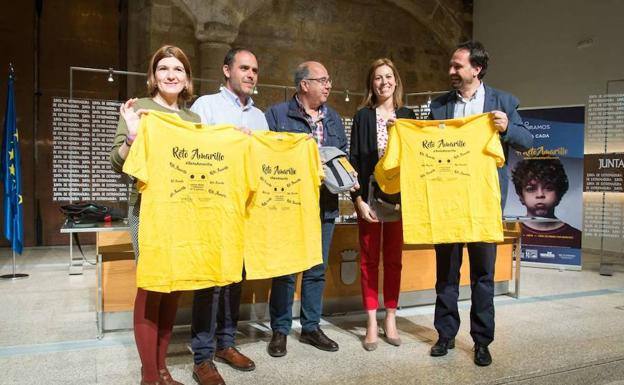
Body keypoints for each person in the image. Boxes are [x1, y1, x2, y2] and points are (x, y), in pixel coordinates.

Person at [428, 40, 533, 366]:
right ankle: (445, 335)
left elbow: (528, 142)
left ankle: (482, 341)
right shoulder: (440, 105)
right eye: (451, 66)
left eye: (457, 66)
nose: (451, 72)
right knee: (445, 274)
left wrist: (507, 129)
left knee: (483, 277)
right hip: (448, 203)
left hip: (485, 204)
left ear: (477, 68)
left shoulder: (502, 101)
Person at [110, 44, 200, 385]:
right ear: (153, 76)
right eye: (164, 68)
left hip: (185, 211)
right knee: (150, 286)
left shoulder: (194, 119)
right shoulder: (139, 109)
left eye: (178, 69)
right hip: (147, 210)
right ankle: (149, 375)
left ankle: (162, 368)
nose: (171, 74)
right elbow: (117, 164)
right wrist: (131, 136)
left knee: (173, 287)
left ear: (187, 78)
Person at [189, 47, 268, 385]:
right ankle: (202, 358)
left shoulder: (260, 117)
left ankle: (227, 344)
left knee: (236, 280)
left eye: (254, 70)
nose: (250, 75)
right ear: (227, 71)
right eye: (244, 68)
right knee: (210, 284)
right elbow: (192, 153)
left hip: (244, 213)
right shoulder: (205, 106)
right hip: (211, 211)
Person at [264, 61, 348, 357]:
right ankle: (280, 330)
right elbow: (267, 157)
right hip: (288, 206)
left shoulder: (334, 118)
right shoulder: (276, 115)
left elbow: (343, 156)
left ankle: (311, 327)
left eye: (328, 79)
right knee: (286, 269)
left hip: (325, 205)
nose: (328, 85)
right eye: (322, 80)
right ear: (304, 85)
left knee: (316, 268)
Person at [349, 58, 415, 351]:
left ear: (396, 81)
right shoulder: (363, 116)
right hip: (371, 199)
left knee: (394, 260)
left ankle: (391, 316)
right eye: (378, 78)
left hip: (400, 200)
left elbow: (416, 161)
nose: (384, 82)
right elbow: (354, 162)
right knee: (368, 261)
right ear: (371, 84)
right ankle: (371, 321)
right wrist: (358, 199)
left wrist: (398, 133)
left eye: (389, 76)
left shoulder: (409, 115)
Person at [511, 158, 582, 248]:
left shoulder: (577, 238)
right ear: (521, 196)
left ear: (559, 194)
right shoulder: (508, 233)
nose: (540, 195)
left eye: (548, 188)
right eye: (531, 189)